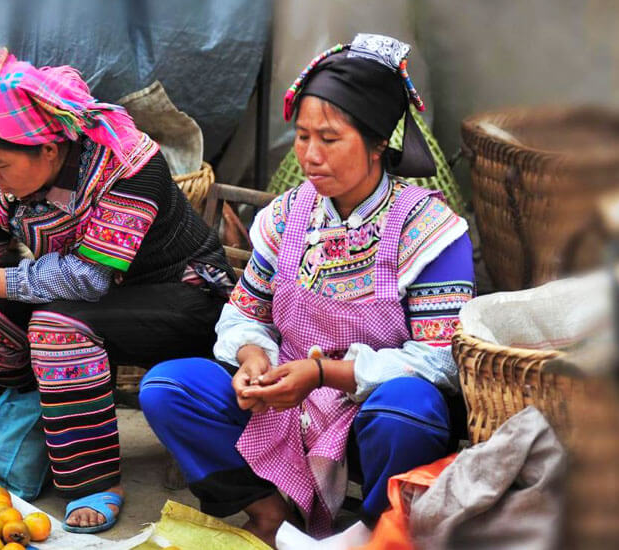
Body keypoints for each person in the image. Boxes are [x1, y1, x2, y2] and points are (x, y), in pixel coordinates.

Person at [0, 48, 233, 534]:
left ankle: (93, 480)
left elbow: (88, 278)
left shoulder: (129, 167)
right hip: (95, 302)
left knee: (55, 325)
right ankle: (2, 445)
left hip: (184, 298)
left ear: (48, 151)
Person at [139, 33, 474, 546]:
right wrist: (253, 359)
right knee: (168, 389)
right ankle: (269, 509)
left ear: (379, 142)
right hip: (287, 403)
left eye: (330, 138)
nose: (311, 155)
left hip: (371, 418)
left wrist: (324, 374)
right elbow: (244, 314)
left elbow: (441, 361)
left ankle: (372, 531)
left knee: (408, 408)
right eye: (301, 136)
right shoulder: (285, 216)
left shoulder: (429, 231)